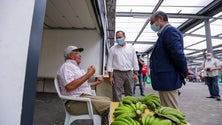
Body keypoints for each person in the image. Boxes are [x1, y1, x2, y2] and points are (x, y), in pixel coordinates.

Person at [56, 45, 111, 125]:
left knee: (108, 100)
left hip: (82, 98)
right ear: (70, 55)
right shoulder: (66, 67)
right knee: (109, 106)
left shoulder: (75, 67)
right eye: (77, 53)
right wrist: (89, 74)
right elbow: (69, 86)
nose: (80, 55)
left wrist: (96, 83)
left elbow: (81, 85)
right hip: (75, 103)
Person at [149, 11, 193, 109]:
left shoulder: (169, 31)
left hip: (168, 79)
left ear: (160, 19)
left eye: (152, 23)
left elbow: (178, 54)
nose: (151, 25)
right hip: (165, 80)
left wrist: (184, 71)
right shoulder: (164, 33)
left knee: (170, 110)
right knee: (166, 109)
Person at [106, 30, 139, 102]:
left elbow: (135, 62)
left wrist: (136, 74)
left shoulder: (131, 48)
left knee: (129, 93)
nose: (118, 39)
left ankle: (129, 108)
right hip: (117, 74)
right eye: (117, 38)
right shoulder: (113, 49)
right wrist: (110, 77)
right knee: (117, 94)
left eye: (120, 37)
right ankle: (117, 108)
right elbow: (109, 64)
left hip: (129, 73)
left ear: (124, 37)